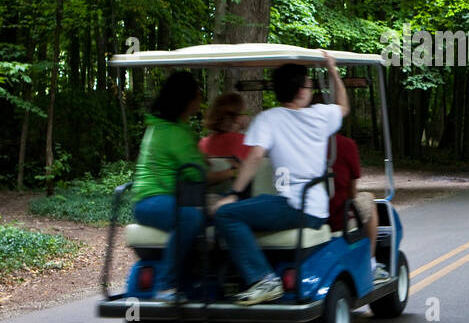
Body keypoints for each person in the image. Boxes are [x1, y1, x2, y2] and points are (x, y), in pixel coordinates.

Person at [212, 52, 347, 305]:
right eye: (308, 84)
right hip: (314, 207)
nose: (310, 89)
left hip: (293, 205)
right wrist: (333, 71)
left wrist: (234, 194)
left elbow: (254, 158)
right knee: (249, 202)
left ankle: (264, 279)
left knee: (225, 213)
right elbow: (344, 106)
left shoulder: (269, 119)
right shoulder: (320, 115)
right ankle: (235, 275)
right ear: (300, 90)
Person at [130, 71, 227, 299]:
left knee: (212, 214)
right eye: (197, 95)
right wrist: (232, 171)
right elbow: (197, 176)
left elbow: (189, 163)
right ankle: (166, 284)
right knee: (192, 216)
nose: (201, 99)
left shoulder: (162, 127)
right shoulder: (174, 133)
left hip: (154, 200)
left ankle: (201, 281)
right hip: (153, 201)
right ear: (188, 100)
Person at [311, 92, 383, 280]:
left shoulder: (300, 142)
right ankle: (371, 263)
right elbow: (351, 191)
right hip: (336, 217)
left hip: (305, 215)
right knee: (369, 199)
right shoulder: (345, 145)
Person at [199, 92, 249, 190]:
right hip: (238, 199)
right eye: (245, 113)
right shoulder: (246, 142)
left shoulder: (202, 143)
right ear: (238, 118)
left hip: (208, 198)